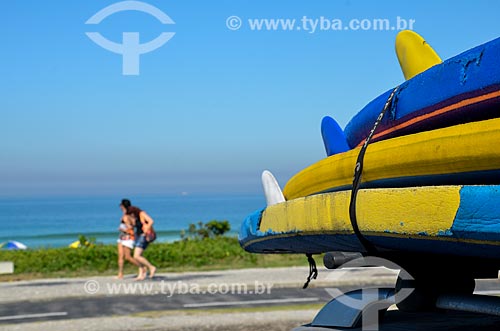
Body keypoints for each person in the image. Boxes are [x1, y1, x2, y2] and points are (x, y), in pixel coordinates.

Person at [119, 199, 157, 280]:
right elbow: (133, 226)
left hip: (144, 236)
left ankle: (151, 267)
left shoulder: (141, 213)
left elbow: (151, 221)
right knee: (138, 256)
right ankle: (141, 274)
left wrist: (146, 229)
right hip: (139, 235)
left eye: (131, 214)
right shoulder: (135, 217)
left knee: (136, 256)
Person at [116, 215, 143, 279]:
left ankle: (141, 266)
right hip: (121, 237)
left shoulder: (131, 217)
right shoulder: (124, 216)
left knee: (128, 257)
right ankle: (120, 273)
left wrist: (125, 229)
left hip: (128, 238)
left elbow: (131, 229)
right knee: (120, 256)